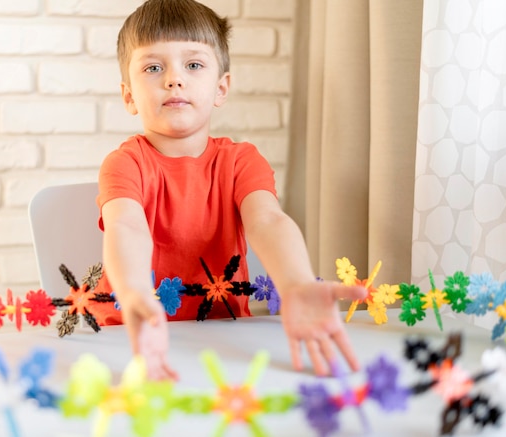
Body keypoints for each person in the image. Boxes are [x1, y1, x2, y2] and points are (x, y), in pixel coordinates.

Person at [94, 0, 367, 380]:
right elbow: (126, 226)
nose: (174, 79)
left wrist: (296, 282)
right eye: (153, 67)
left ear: (221, 88)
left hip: (220, 338)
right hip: (128, 337)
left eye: (193, 65)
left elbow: (268, 220)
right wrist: (136, 292)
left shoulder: (241, 161)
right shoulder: (125, 163)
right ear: (128, 96)